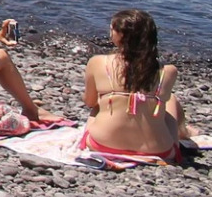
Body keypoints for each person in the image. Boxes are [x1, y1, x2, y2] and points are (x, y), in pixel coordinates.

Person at [82, 9, 194, 163]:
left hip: (103, 145)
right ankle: (184, 133)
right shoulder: (168, 71)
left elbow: (89, 102)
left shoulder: (97, 62)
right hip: (160, 151)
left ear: (120, 35)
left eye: (112, 29)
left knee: (98, 107)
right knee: (169, 101)